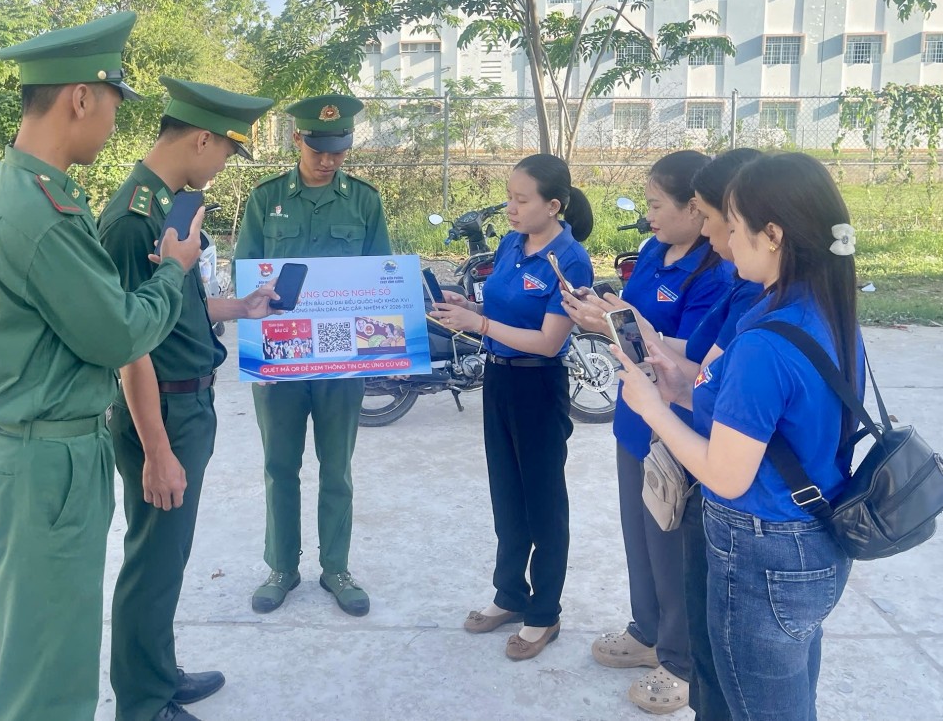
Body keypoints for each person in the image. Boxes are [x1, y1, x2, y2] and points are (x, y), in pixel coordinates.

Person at [0, 12, 207, 721]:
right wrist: (174, 272)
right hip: (45, 465)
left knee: (45, 658)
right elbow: (119, 332)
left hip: (30, 457)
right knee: (51, 684)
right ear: (80, 98)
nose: (114, 125)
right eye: (114, 104)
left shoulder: (7, 190)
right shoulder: (40, 212)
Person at [611, 153, 862, 721]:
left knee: (745, 707)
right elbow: (775, 420)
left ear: (771, 234)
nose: (714, 233)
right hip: (812, 537)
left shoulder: (764, 341)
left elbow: (725, 472)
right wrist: (680, 385)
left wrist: (652, 405)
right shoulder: (820, 309)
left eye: (727, 219)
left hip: (759, 549)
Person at [97, 78, 277, 721]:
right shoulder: (132, 219)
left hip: (185, 406)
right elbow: (129, 346)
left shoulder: (169, 209)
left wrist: (241, 306)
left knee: (166, 558)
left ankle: (157, 671)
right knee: (151, 560)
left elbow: (174, 311)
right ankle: (142, 705)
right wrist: (156, 450)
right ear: (201, 138)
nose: (224, 165)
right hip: (162, 414)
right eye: (226, 152)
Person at [565, 148, 764, 720]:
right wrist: (613, 320)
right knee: (642, 538)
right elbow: (671, 348)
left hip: (678, 425)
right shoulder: (656, 251)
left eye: (704, 212)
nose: (654, 216)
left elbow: (700, 363)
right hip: (641, 416)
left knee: (675, 548)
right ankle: (647, 631)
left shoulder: (729, 277)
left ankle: (677, 661)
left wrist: (636, 337)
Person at [429, 154, 594, 661]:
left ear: (554, 205)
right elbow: (498, 312)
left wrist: (479, 327)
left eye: (522, 200)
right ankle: (511, 596)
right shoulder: (508, 244)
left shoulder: (569, 260)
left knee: (543, 502)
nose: (510, 208)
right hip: (498, 379)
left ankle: (545, 612)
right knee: (506, 494)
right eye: (509, 197)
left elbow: (547, 342)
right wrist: (467, 311)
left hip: (539, 387)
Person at [233, 94, 391, 617]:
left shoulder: (364, 202)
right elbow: (248, 272)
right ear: (297, 139)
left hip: (341, 359)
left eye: (339, 150)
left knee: (337, 468)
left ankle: (336, 568)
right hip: (280, 355)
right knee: (280, 464)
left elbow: (379, 278)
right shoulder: (266, 199)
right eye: (319, 148)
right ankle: (281, 566)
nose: (329, 160)